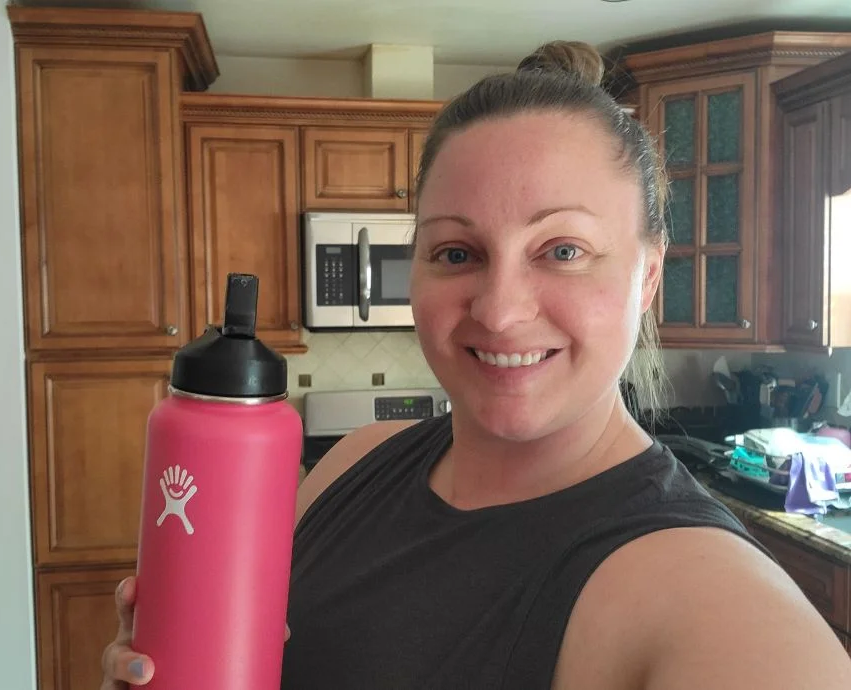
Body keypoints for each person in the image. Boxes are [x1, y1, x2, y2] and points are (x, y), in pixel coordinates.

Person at [101, 41, 851, 689]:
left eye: (562, 251)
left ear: (647, 278)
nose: (498, 310)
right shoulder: (349, 467)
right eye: (456, 253)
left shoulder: (708, 596)